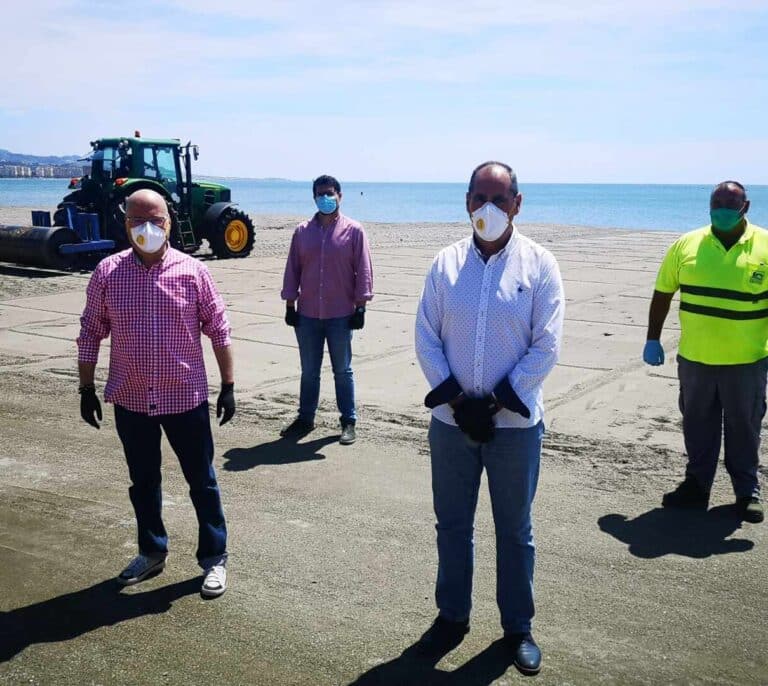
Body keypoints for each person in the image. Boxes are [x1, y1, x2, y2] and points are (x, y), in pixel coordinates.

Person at [414, 161, 564, 675]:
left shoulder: (540, 265)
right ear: (466, 201)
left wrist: (496, 401)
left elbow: (546, 345)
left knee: (515, 530)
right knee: (452, 526)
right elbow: (426, 336)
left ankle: (517, 628)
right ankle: (451, 616)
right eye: (480, 197)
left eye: (500, 199)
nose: (489, 209)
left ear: (518, 204)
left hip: (516, 428)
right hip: (453, 426)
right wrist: (459, 401)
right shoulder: (445, 264)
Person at [77, 188, 235, 597]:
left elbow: (219, 330)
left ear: (169, 221)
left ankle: (214, 558)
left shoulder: (193, 272)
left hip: (185, 398)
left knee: (202, 481)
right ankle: (152, 552)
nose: (147, 228)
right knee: (143, 481)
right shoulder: (108, 273)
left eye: (156, 220)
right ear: (124, 222)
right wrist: (85, 387)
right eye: (137, 220)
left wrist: (228, 385)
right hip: (131, 398)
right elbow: (90, 333)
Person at [644, 181, 766, 524]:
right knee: (697, 426)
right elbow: (663, 293)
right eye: (717, 202)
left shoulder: (765, 245)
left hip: (747, 361)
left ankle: (747, 492)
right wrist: (652, 338)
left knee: (745, 427)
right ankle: (696, 486)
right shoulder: (687, 244)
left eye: (731, 202)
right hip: (695, 360)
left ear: (746, 206)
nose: (723, 209)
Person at [280, 174, 374, 445]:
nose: (326, 198)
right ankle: (305, 418)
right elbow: (293, 269)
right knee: (309, 370)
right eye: (321, 194)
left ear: (340, 196)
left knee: (342, 370)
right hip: (307, 314)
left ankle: (348, 421)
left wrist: (361, 307)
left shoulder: (354, 231)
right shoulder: (302, 232)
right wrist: (290, 304)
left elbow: (363, 270)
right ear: (314, 197)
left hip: (341, 315)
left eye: (330, 193)